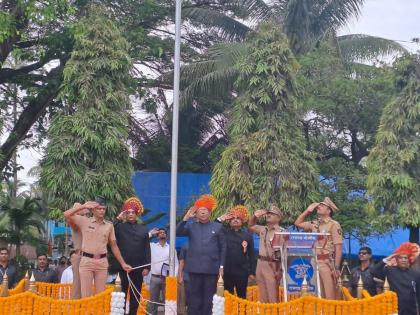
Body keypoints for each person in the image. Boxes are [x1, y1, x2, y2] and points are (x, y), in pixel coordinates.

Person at [64, 196, 132, 298]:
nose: (101, 211)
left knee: (100, 297)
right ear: (93, 210)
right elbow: (66, 214)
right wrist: (83, 206)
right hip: (86, 261)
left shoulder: (109, 226)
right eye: (99, 208)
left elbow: (114, 246)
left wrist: (123, 263)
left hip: (102, 262)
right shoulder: (84, 221)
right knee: (86, 296)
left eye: (103, 209)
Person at [176, 194, 226, 315]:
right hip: (193, 269)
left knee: (209, 300)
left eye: (205, 210)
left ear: (209, 212)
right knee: (193, 300)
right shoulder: (191, 226)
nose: (203, 213)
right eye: (200, 211)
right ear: (196, 214)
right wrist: (186, 218)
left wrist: (221, 267)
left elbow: (223, 248)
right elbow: (177, 232)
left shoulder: (218, 227)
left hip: (211, 269)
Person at [295, 197, 343, 300]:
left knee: (329, 295)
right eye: (319, 204)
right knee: (317, 295)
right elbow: (297, 223)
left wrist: (337, 267)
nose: (319, 206)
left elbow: (338, 247)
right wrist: (308, 211)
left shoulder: (334, 225)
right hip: (314, 261)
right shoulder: (314, 224)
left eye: (322, 205)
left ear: (329, 210)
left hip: (326, 261)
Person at [114, 197, 151, 315]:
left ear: (137, 214)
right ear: (125, 214)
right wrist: (118, 218)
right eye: (128, 212)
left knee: (136, 294)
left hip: (138, 268)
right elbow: (108, 229)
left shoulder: (143, 229)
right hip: (123, 267)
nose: (130, 214)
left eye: (133, 212)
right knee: (122, 294)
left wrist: (147, 267)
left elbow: (147, 249)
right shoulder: (119, 227)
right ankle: (121, 313)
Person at [217, 205, 256, 299]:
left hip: (242, 272)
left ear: (242, 221)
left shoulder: (247, 235)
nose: (235, 220)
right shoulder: (224, 233)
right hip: (227, 272)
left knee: (242, 296)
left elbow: (251, 255)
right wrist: (220, 219)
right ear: (229, 222)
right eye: (233, 218)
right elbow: (214, 226)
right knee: (228, 297)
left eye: (238, 218)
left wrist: (252, 273)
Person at [371, 242, 420, 315]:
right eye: (400, 258)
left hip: (411, 309)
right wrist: (387, 259)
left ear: (408, 260)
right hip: (394, 308)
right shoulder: (390, 270)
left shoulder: (415, 273)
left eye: (405, 258)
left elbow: (418, 294)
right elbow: (373, 271)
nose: (403, 260)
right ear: (397, 260)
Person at [248, 205, 284, 303]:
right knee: (262, 295)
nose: (268, 215)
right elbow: (250, 226)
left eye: (272, 214)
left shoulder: (281, 232)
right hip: (260, 263)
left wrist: (280, 270)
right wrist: (255, 216)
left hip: (272, 265)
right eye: (268, 213)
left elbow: (284, 253)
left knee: (272, 295)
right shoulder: (262, 229)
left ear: (278, 218)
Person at [148, 228, 179, 315]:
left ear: (166, 235)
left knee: (168, 301)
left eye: (164, 232)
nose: (162, 234)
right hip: (155, 278)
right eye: (160, 233)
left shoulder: (171, 248)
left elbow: (176, 264)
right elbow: (142, 241)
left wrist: (173, 277)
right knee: (153, 301)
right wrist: (151, 233)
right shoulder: (152, 246)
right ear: (157, 236)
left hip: (167, 279)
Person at [67, 202, 89, 299]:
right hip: (79, 256)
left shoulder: (89, 222)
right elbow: (69, 215)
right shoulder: (75, 222)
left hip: (90, 256)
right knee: (78, 284)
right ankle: (76, 307)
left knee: (87, 284)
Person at [178, 243, 189, 315]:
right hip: (187, 277)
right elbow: (181, 262)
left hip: (198, 278)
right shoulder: (185, 246)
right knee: (184, 299)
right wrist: (180, 276)